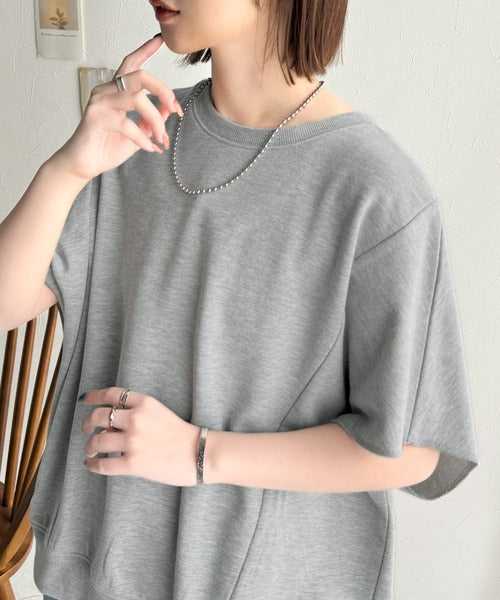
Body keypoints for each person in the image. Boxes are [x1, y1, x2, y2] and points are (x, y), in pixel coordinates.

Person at [0, 1, 479, 599]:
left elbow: (411, 450)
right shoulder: (134, 136)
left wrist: (200, 453)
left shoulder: (375, 189)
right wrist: (66, 170)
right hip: (103, 575)